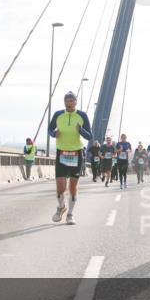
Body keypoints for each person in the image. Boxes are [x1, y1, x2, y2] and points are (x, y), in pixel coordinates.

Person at [48, 91, 92, 224]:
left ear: (76, 102)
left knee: (73, 187)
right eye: (67, 101)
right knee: (60, 186)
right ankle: (61, 207)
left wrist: (81, 130)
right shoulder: (58, 114)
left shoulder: (82, 115)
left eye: (72, 101)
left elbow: (90, 136)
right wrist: (54, 134)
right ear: (64, 102)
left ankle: (70, 214)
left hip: (76, 154)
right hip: (61, 153)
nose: (69, 103)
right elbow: (49, 130)